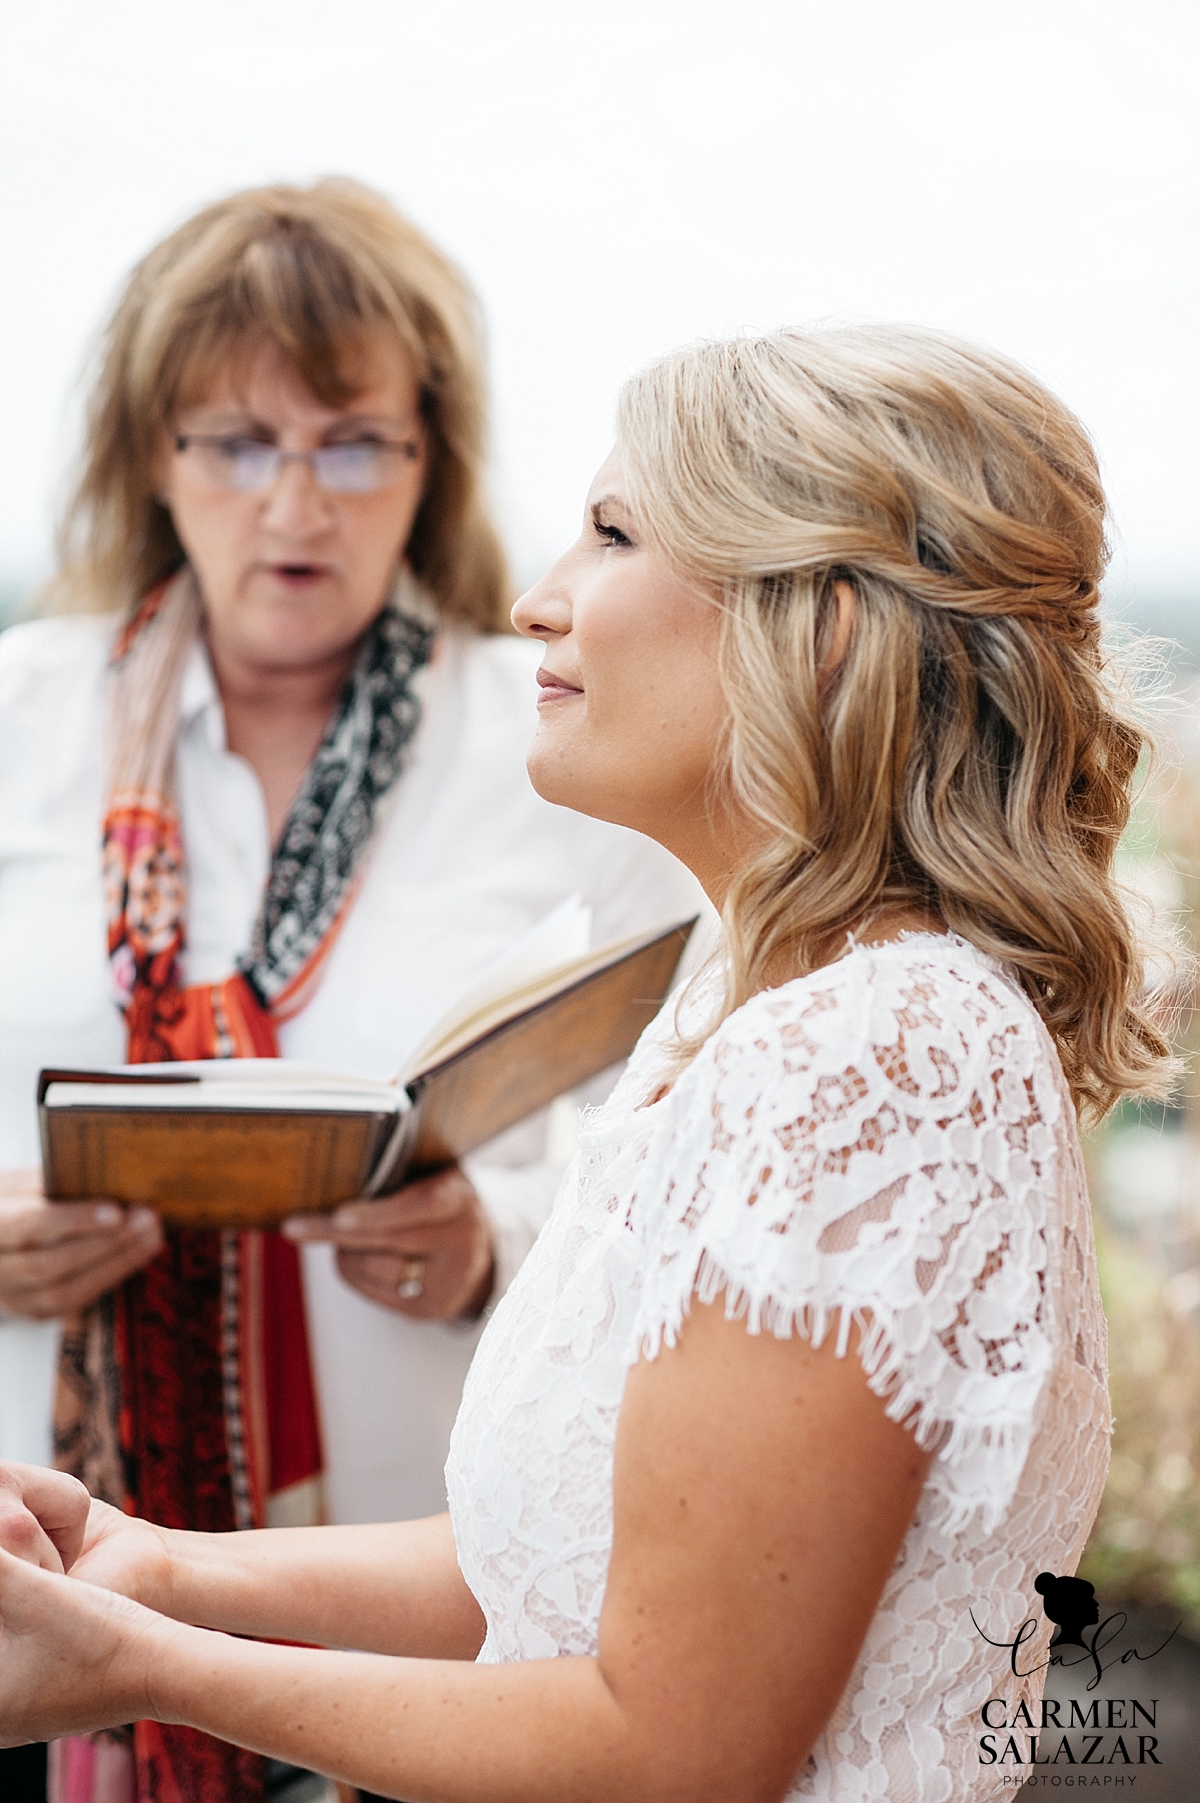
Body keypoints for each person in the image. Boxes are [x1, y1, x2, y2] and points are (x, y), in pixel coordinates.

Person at [0, 325, 1173, 1801]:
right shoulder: (739, 1005)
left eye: (613, 533)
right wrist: (147, 1566)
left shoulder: (876, 1061)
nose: (533, 601)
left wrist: (134, 1665)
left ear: (817, 624)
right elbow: (553, 1571)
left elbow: (671, 1750)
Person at [0, 180, 701, 1803]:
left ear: (430, 460)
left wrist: (496, 1242)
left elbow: (691, 1136)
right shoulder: (19, 714)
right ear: (151, 456)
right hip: (32, 1601)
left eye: (353, 440)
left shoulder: (565, 736)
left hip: (435, 1661)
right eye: (237, 441)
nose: (294, 502)